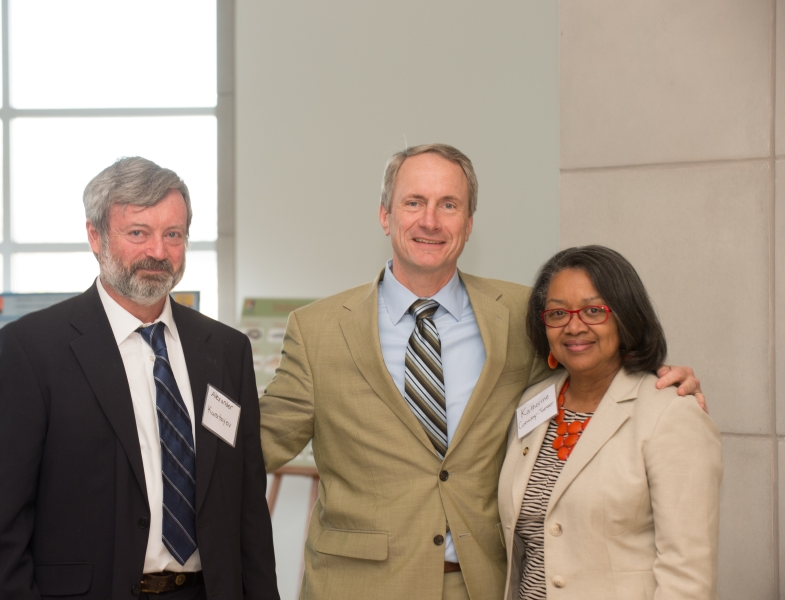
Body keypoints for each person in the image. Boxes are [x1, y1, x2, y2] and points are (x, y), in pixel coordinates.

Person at [258, 144, 702, 600]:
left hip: (484, 584)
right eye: (414, 202)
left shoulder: (520, 314)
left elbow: (589, 360)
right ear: (385, 215)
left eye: (448, 205)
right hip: (359, 586)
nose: (430, 221)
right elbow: (254, 447)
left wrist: (656, 382)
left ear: (468, 224)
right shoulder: (318, 331)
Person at [0, 157, 279, 600]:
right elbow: (2, 525)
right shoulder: (30, 351)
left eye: (172, 234)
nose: (158, 251)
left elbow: (248, 507)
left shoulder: (226, 351)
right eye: (138, 232)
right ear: (95, 237)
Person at [497, 245, 722, 599]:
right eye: (557, 313)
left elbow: (687, 576)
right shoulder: (534, 401)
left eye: (593, 310)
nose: (573, 326)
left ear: (625, 317)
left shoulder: (671, 413)